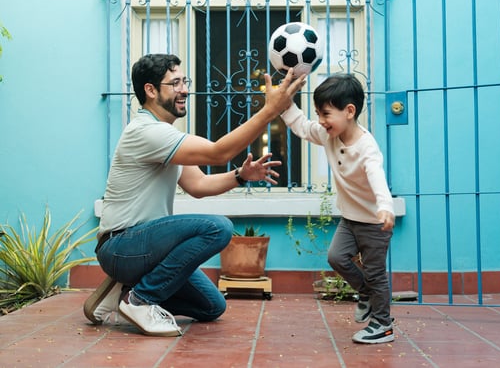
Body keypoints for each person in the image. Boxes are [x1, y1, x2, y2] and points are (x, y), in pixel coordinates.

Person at [84, 53, 306, 336]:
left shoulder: (164, 137)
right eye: (175, 83)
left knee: (212, 306)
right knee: (218, 227)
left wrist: (240, 175)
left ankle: (122, 292)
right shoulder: (146, 132)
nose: (185, 89)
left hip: (142, 251)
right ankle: (140, 300)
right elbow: (218, 152)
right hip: (122, 246)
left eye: (184, 81)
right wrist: (269, 111)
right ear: (150, 91)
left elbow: (199, 185)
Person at [280, 73, 395, 344]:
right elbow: (302, 127)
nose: (320, 120)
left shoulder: (367, 147)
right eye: (318, 113)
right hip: (350, 219)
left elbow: (377, 177)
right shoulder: (329, 135)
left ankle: (383, 324)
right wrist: (284, 104)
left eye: (326, 114)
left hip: (374, 222)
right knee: (336, 258)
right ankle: (365, 293)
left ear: (349, 111)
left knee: (376, 273)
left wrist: (386, 207)